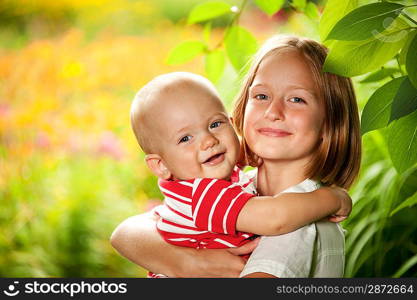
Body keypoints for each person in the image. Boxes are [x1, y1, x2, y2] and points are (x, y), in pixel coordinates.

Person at [111, 35, 361, 277]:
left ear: (331, 122)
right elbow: (124, 233)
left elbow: (277, 218)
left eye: (297, 99)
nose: (274, 111)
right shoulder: (230, 188)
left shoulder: (299, 224)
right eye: (261, 96)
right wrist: (185, 263)